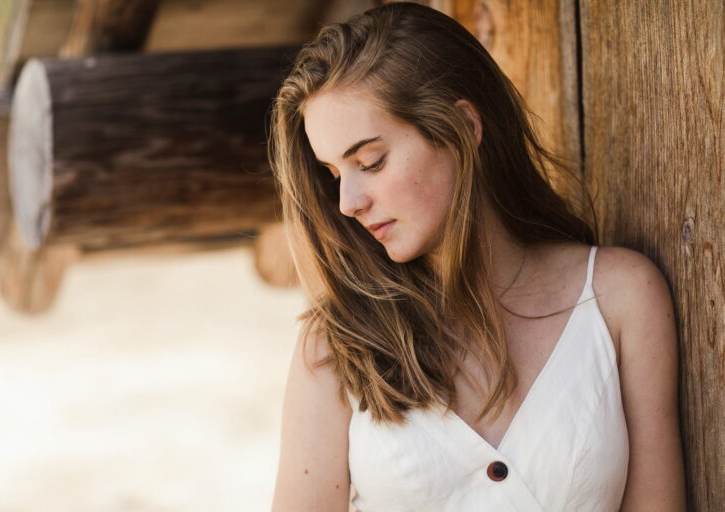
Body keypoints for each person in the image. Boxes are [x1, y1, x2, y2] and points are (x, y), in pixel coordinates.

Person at [268, 2, 686, 511]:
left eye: (370, 162)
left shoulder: (619, 297)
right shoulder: (335, 345)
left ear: (464, 127)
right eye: (335, 174)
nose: (348, 203)